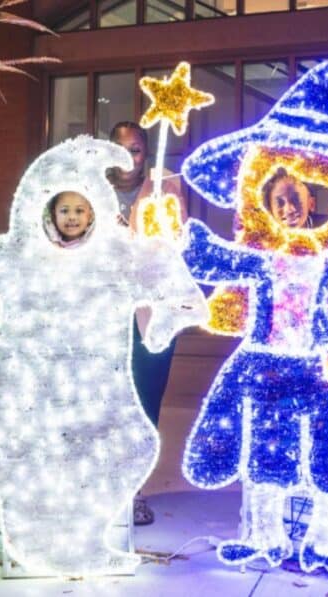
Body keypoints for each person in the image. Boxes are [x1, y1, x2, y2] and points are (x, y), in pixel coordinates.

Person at [108, 121, 187, 525]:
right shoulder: (90, 188)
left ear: (147, 151)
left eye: (136, 149)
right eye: (121, 148)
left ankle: (133, 489)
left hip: (151, 310)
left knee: (143, 400)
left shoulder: (165, 184)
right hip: (102, 311)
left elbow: (175, 238)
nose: (129, 158)